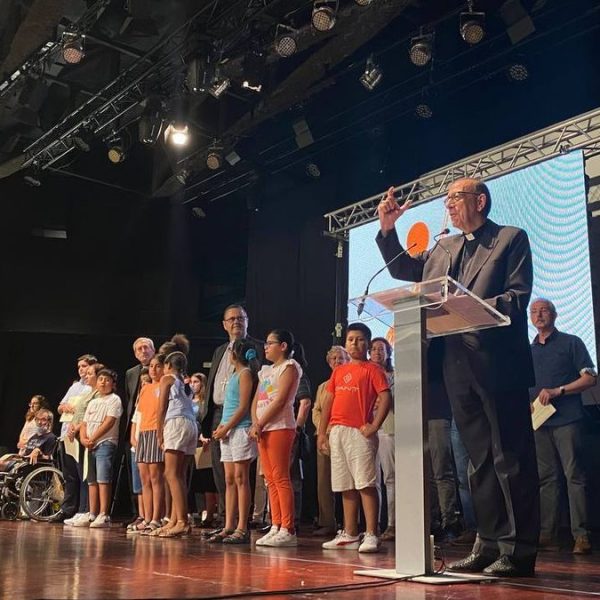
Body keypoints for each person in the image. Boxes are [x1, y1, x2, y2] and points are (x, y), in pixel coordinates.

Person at [376, 178, 539, 576]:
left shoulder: (510, 239)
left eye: (455, 197)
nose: (448, 204)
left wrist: (466, 306)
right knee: (478, 461)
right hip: (455, 366)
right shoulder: (444, 247)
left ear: (480, 201)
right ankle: (488, 543)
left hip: (499, 366)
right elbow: (403, 268)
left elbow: (517, 298)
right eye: (446, 198)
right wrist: (388, 229)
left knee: (510, 458)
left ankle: (518, 551)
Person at [529, 298, 597, 555]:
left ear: (555, 315)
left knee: (574, 476)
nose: (538, 315)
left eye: (544, 310)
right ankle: (548, 534)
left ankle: (581, 535)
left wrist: (559, 390)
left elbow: (590, 378)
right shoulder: (528, 350)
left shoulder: (571, 342)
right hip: (539, 423)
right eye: (534, 311)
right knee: (546, 479)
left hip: (568, 420)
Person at [317, 323, 391, 554]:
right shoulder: (339, 371)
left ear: (367, 344)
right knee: (345, 484)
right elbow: (328, 401)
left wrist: (374, 425)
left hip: (359, 432)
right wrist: (322, 432)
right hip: (338, 431)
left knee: (366, 483)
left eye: (359, 340)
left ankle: (371, 533)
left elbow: (385, 397)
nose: (354, 344)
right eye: (350, 340)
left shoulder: (373, 370)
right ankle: (349, 533)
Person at [201, 305, 263, 525]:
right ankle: (226, 519)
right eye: (232, 319)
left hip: (243, 417)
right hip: (220, 414)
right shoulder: (220, 350)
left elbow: (259, 385)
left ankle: (242, 522)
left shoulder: (257, 348)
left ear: (247, 321)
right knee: (222, 472)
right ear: (224, 324)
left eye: (240, 318)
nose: (236, 322)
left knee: (242, 474)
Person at [250, 329, 302, 547]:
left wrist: (261, 423)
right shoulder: (265, 371)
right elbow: (257, 400)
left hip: (280, 426)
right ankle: (276, 524)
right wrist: (256, 422)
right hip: (263, 429)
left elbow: (280, 401)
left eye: (270, 343)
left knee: (280, 477)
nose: (266, 347)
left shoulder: (289, 367)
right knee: (269, 479)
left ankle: (288, 528)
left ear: (283, 346)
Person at [209, 340, 259, 544]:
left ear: (235, 355)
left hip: (240, 429)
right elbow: (229, 406)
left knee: (241, 478)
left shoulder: (245, 374)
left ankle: (242, 527)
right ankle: (229, 525)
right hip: (229, 430)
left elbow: (243, 407)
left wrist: (227, 427)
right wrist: (222, 426)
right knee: (229, 479)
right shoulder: (233, 376)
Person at [155, 350, 198, 538]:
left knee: (171, 473)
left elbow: (162, 408)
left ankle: (182, 521)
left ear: (168, 365)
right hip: (190, 425)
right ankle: (173, 520)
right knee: (179, 475)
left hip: (176, 423)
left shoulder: (167, 379)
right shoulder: (184, 383)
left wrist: (159, 433)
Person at [312, 346, 350, 536]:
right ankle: (327, 522)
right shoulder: (323, 386)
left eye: (341, 358)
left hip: (346, 434)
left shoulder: (351, 382)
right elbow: (316, 410)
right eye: (334, 358)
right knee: (324, 481)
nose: (337, 361)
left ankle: (351, 524)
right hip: (325, 437)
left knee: (349, 481)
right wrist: (324, 430)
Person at [63, 362, 105, 527]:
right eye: (85, 374)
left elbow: (89, 417)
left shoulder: (98, 394)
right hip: (78, 435)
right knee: (81, 475)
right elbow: (78, 413)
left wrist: (78, 428)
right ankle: (81, 510)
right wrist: (72, 427)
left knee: (87, 476)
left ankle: (88, 510)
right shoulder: (88, 393)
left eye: (89, 373)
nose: (86, 376)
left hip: (86, 436)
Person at [79, 368, 123, 528]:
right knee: (91, 480)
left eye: (107, 380)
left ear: (113, 384)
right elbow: (84, 423)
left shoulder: (114, 400)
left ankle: (104, 514)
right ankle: (92, 513)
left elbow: (109, 421)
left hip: (105, 442)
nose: (103, 382)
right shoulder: (93, 402)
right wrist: (84, 439)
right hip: (90, 445)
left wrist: (93, 438)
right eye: (101, 379)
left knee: (103, 479)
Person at [57, 354, 96, 520]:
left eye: (84, 366)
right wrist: (64, 406)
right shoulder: (75, 386)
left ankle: (83, 509)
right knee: (69, 475)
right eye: (79, 366)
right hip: (66, 433)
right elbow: (60, 407)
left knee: (83, 475)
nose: (81, 369)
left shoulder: (92, 388)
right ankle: (67, 509)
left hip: (80, 434)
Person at [131, 355, 166, 534]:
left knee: (155, 478)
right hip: (143, 433)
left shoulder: (165, 386)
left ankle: (156, 519)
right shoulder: (145, 388)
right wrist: (135, 436)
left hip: (155, 431)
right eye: (151, 366)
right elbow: (139, 414)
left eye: (157, 366)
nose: (153, 369)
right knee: (144, 479)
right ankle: (147, 517)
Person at [123, 338, 155, 524]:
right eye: (139, 349)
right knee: (137, 476)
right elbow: (130, 399)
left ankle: (155, 515)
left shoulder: (159, 369)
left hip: (151, 426)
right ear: (135, 354)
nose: (143, 351)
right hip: (136, 425)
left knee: (152, 477)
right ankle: (140, 514)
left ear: (153, 350)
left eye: (146, 347)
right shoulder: (131, 373)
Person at [369, 337, 395, 541]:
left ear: (388, 353)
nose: (377, 352)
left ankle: (393, 524)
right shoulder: (365, 373)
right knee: (371, 479)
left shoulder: (394, 376)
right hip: (366, 430)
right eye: (374, 349)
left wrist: (385, 400)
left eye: (381, 349)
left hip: (388, 428)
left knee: (390, 477)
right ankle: (373, 526)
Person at [190, 372, 218, 527]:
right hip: (190, 443)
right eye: (191, 382)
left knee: (207, 480)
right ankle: (199, 511)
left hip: (203, 443)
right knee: (195, 481)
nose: (193, 385)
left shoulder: (204, 402)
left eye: (196, 382)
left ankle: (211, 513)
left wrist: (203, 435)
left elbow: (205, 420)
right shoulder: (189, 400)